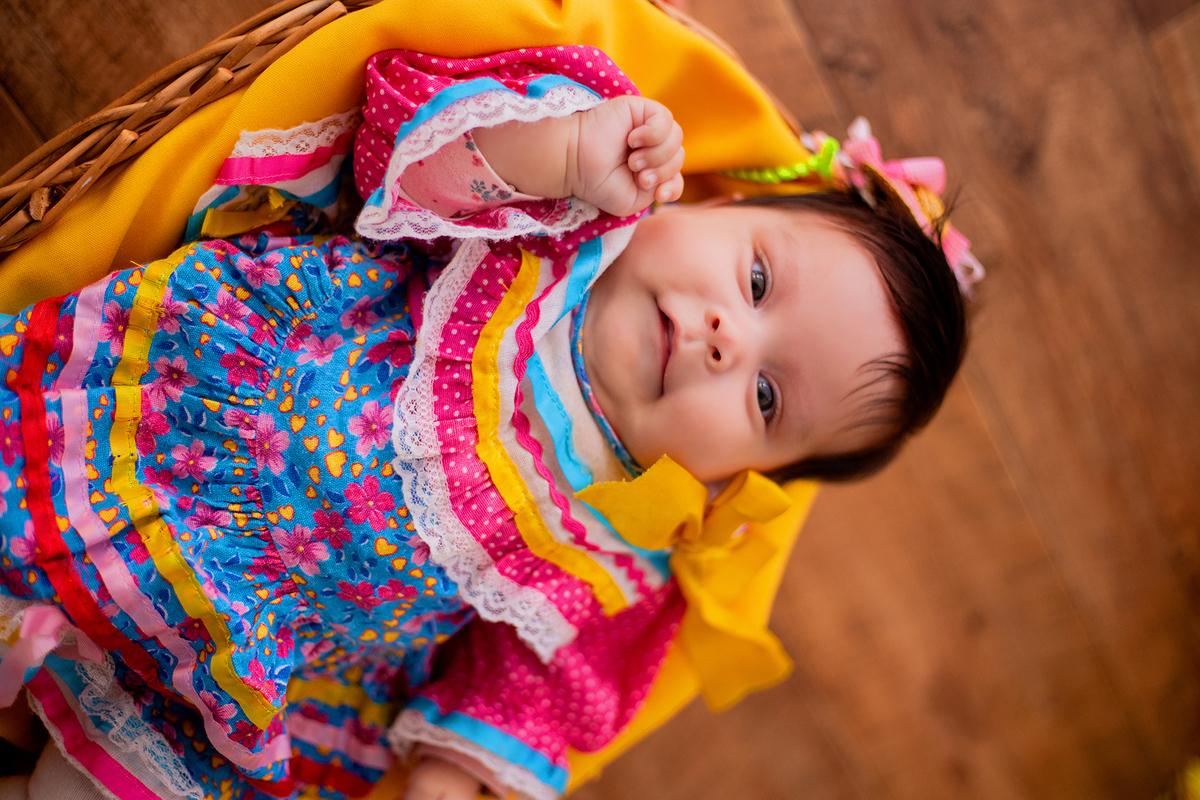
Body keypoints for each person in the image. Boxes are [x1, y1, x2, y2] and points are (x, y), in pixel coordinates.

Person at [0, 45, 972, 800]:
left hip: (263, 649)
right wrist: (568, 151)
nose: (728, 336)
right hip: (195, 427)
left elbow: (529, 686)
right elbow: (399, 161)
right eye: (755, 278)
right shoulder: (571, 227)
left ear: (735, 480)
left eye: (766, 398)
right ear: (714, 199)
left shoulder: (623, 544)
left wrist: (446, 774)